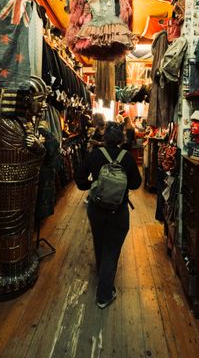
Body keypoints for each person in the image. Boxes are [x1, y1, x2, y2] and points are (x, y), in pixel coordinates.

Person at [74, 121, 142, 309]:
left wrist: (94, 185)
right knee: (112, 248)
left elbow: (79, 180)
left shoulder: (94, 155)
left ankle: (101, 274)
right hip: (118, 210)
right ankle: (104, 295)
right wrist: (121, 187)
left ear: (104, 137)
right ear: (121, 138)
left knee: (99, 240)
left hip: (96, 209)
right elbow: (137, 183)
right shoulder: (127, 157)